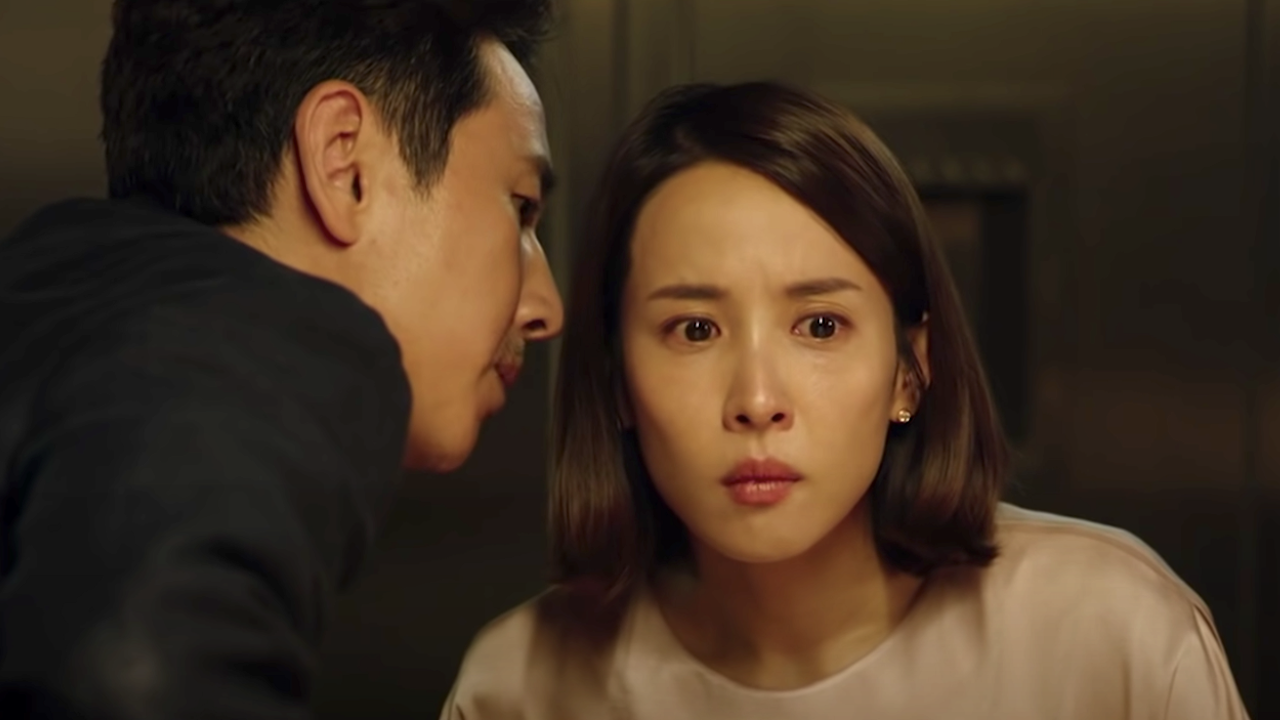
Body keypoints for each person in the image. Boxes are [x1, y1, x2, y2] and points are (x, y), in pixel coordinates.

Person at [440, 81, 1249, 719]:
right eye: (695, 330)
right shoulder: (520, 687)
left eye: (820, 325)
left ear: (909, 372)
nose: (757, 400)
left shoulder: (1114, 635)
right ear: (618, 381)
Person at [0, 1, 562, 718]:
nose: (547, 307)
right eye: (521, 206)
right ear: (345, 162)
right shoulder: (251, 351)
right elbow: (128, 679)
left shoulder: (51, 294)